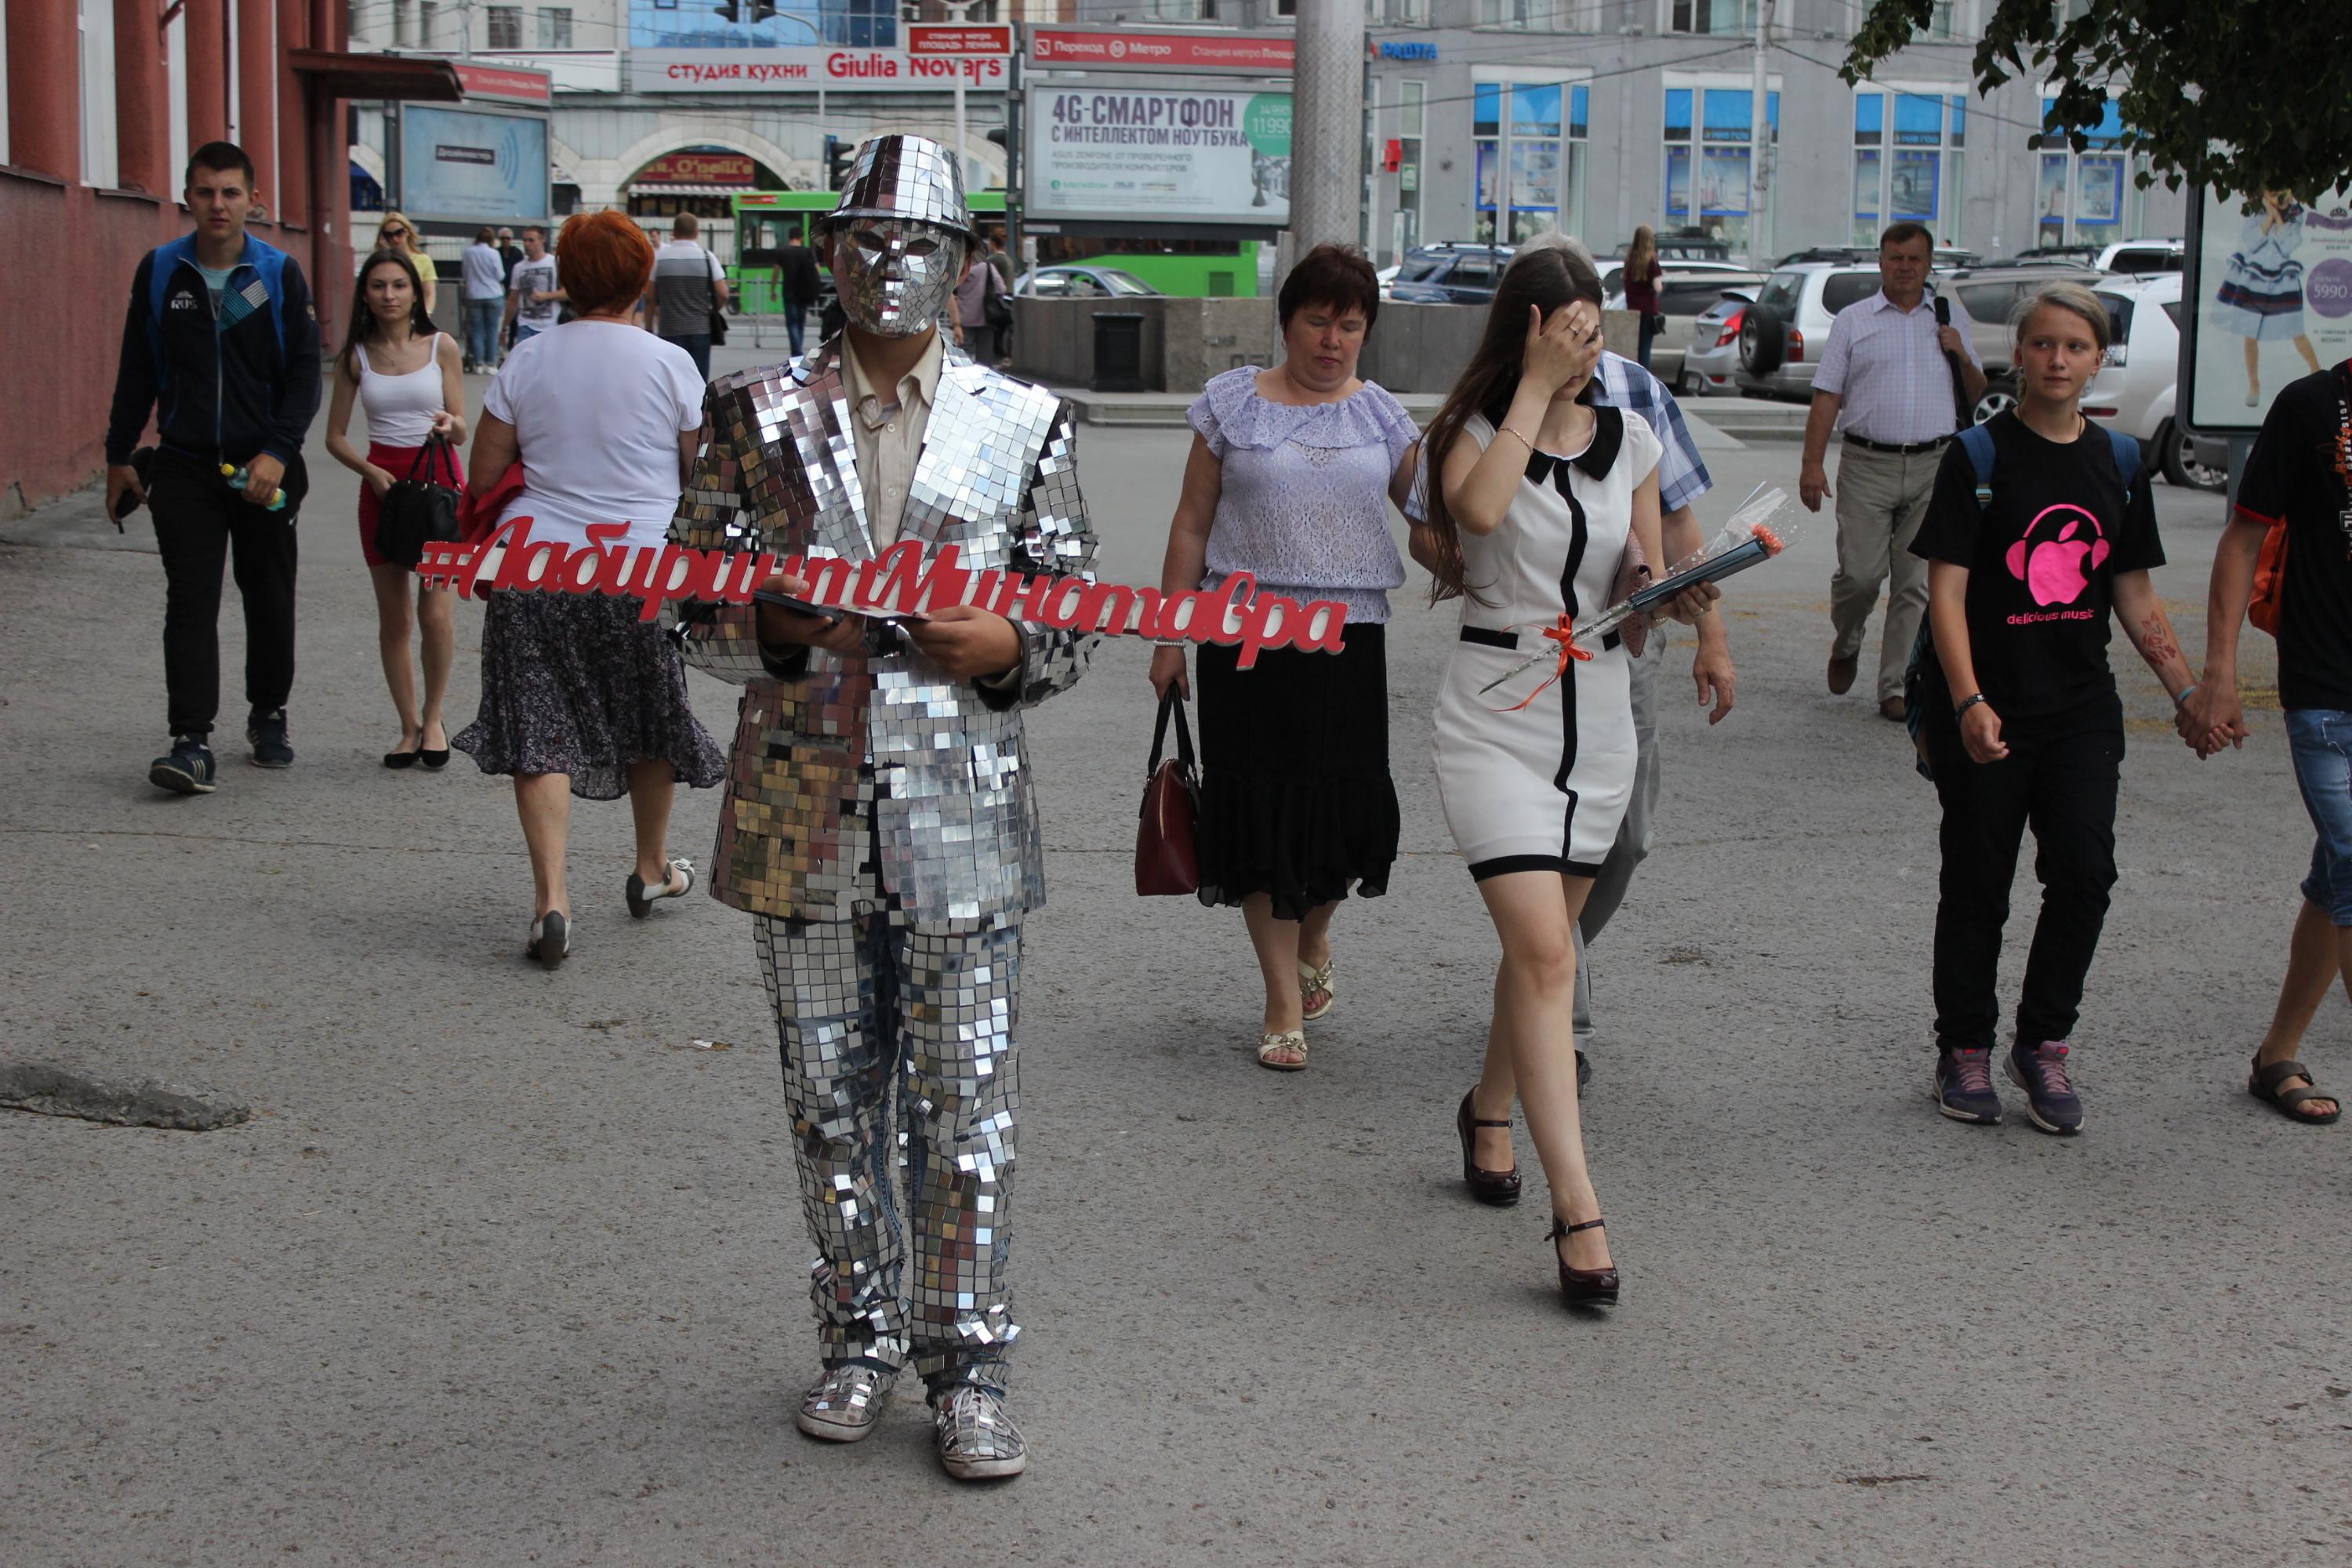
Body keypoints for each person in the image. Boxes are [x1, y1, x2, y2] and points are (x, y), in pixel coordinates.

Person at [664, 134, 1097, 1482]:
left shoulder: (1023, 421)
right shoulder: (750, 413)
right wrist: (772, 628)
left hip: (963, 805)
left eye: (920, 244)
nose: (890, 266)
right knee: (829, 1103)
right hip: (799, 802)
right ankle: (857, 1333)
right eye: (865, 240)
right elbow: (685, 605)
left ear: (966, 268)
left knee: (966, 1108)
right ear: (827, 250)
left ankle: (967, 1363)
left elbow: (1076, 606)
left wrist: (1013, 653)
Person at [1415, 239, 1682, 1312]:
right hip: (1495, 717)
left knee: (1544, 957)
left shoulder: (1632, 437)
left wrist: (1677, 591)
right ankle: (1578, 1208)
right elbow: (1478, 515)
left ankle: (1490, 1106)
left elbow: (1642, 571)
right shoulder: (1473, 434)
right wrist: (1532, 385)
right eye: (1568, 329)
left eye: (1596, 329)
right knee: (1543, 951)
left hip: (1601, 718)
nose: (1587, 347)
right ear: (1527, 330)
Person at [1907, 284, 2192, 1136]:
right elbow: (1945, 592)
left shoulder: (2121, 461)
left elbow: (2132, 588)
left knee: (2085, 872)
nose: (2058, 360)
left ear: (2098, 359)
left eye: (2076, 346)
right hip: (1990, 707)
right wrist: (1967, 699)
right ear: (2019, 354)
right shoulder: (1979, 457)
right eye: (2043, 345)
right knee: (1978, 881)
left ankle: (2044, 1042)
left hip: (2079, 708)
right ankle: (1963, 1045)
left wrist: (2185, 689)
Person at [1149, 243, 1416, 1073]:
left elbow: (1439, 518)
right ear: (1287, 321)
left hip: (1348, 638)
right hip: (1246, 637)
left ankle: (1318, 928)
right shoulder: (1231, 406)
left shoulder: (1383, 417)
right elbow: (1192, 523)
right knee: (1258, 811)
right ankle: (1280, 997)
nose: (1332, 339)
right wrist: (1169, 632)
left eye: (1350, 324)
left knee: (1345, 813)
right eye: (1317, 320)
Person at [452, 211, 725, 967]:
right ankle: (649, 866)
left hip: (536, 563)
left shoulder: (525, 362)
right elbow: (702, 484)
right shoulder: (671, 364)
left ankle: (551, 900)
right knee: (649, 712)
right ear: (645, 280)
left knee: (538, 725)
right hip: (636, 567)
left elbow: (481, 477)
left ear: (564, 282)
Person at [105, 140, 322, 794]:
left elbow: (304, 374)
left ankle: (269, 715)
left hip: (264, 469)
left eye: (231, 192)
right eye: (205, 192)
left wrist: (279, 453)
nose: (218, 205)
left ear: (253, 199)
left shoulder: (279, 273)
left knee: (267, 593)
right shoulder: (161, 270)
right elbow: (137, 368)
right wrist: (118, 455)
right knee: (191, 602)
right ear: (187, 197)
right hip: (186, 465)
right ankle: (191, 739)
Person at [2181, 354, 2352, 1126]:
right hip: (2327, 684)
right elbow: (2244, 538)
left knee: (2338, 872)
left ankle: (2276, 1052)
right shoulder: (2312, 405)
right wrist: (2221, 671)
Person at [1798, 221, 1987, 721]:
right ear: (1880, 262)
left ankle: (1896, 686)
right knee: (1860, 576)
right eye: (1895, 257)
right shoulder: (1854, 321)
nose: (1905, 267)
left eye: (1915, 259)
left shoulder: (1948, 317)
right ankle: (1847, 642)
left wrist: (1960, 352)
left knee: (1916, 584)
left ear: (1929, 266)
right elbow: (1827, 395)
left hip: (1935, 464)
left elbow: (1975, 390)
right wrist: (1811, 465)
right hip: (1866, 464)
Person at [322, 249, 466, 770]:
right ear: (366, 293)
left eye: (398, 286)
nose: (389, 295)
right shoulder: (355, 357)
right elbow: (334, 437)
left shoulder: (441, 347)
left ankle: (434, 718)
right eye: (379, 286)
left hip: (440, 485)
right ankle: (407, 727)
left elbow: (463, 425)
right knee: (396, 617)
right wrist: (369, 471)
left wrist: (451, 427)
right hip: (382, 489)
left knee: (436, 612)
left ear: (414, 292)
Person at [2215, 191, 2326, 408]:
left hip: (2282, 278)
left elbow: (2288, 245)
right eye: (2272, 192)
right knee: (2250, 332)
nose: (2277, 196)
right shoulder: (2253, 210)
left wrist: (2277, 217)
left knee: (2296, 329)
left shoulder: (2295, 213)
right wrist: (2269, 216)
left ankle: (2317, 372)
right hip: (2253, 276)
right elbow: (2252, 241)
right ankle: (2254, 384)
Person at [646, 212, 730, 380]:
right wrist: (713, 310)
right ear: (697, 233)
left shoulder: (659, 260)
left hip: (669, 330)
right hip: (700, 330)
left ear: (674, 233)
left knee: (671, 382)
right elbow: (723, 293)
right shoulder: (707, 257)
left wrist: (649, 327)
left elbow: (650, 297)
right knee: (698, 382)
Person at [502, 226, 561, 347]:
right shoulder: (519, 268)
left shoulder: (554, 263)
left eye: (531, 240)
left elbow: (568, 292)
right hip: (526, 325)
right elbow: (513, 299)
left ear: (542, 240)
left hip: (550, 325)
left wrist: (546, 296)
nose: (527, 244)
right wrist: (504, 327)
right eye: (524, 240)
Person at [459, 227, 506, 373]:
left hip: (474, 294)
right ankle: (491, 363)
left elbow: (465, 274)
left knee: (477, 330)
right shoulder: (494, 253)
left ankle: (478, 364)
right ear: (492, 240)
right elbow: (500, 275)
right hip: (493, 294)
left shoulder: (468, 252)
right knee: (492, 330)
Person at [950, 247, 1007, 365]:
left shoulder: (963, 268)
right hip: (986, 318)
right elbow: (1001, 288)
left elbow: (951, 288)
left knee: (963, 357)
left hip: (964, 319)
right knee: (985, 360)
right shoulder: (987, 266)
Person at [374, 212, 436, 319]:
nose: (395, 239)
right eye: (388, 235)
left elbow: (429, 293)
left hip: (415, 316)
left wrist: (426, 313)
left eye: (399, 233)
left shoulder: (423, 260)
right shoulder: (382, 262)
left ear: (407, 232)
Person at [1620, 225, 1664, 372]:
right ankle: (1643, 377)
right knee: (1645, 348)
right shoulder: (1652, 261)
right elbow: (1658, 287)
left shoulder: (1629, 261)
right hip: (1648, 310)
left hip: (1632, 308)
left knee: (1632, 348)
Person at [779, 221, 823, 359]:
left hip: (789, 291)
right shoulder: (807, 251)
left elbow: (776, 272)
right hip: (804, 292)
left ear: (789, 237)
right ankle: (797, 350)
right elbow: (818, 270)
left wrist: (773, 288)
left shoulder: (782, 252)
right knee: (800, 322)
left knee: (792, 322)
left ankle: (796, 351)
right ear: (802, 237)